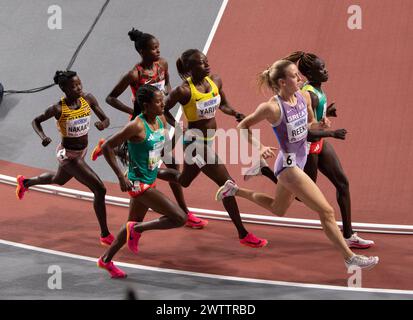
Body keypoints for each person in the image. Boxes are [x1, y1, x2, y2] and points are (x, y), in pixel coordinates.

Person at [215, 60, 378, 269]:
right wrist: (259, 146)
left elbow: (309, 125)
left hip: (300, 160)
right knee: (326, 211)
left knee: (278, 208)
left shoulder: (301, 97)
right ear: (282, 82)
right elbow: (242, 125)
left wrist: (323, 122)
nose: (300, 79)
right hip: (288, 167)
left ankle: (234, 190)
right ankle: (349, 258)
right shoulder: (272, 108)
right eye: (294, 76)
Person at [246, 51, 374, 248]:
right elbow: (307, 132)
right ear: (309, 75)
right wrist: (331, 133)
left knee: (342, 183)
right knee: (299, 198)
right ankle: (264, 170)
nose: (326, 71)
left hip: (319, 144)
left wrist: (326, 114)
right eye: (321, 69)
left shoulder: (317, 91)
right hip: (306, 148)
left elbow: (312, 122)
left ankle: (348, 234)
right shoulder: (307, 94)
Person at [91, 28, 207, 229]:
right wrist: (134, 110)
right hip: (143, 124)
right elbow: (110, 97)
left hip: (161, 118)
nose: (158, 52)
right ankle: (112, 147)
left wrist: (168, 95)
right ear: (142, 52)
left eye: (158, 48)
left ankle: (183, 212)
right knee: (155, 166)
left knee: (169, 165)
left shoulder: (162, 64)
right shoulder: (134, 74)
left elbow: (167, 82)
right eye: (154, 49)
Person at [161, 49, 267, 248]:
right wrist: (176, 124)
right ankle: (243, 234)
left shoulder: (215, 81)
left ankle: (146, 172)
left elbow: (223, 105)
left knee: (184, 181)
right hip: (195, 144)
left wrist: (235, 112)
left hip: (208, 141)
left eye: (206, 60)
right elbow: (163, 108)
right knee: (228, 184)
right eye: (201, 62)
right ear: (191, 69)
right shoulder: (183, 91)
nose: (207, 64)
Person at [15, 70, 114, 246]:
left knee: (58, 180)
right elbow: (35, 121)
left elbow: (106, 119)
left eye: (79, 84)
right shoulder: (58, 108)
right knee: (100, 190)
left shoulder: (88, 99)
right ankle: (105, 234)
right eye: (74, 86)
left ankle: (25, 183)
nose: (78, 88)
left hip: (82, 150)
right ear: (63, 88)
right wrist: (43, 137)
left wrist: (102, 124)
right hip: (69, 156)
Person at [97, 85, 187, 278]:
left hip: (150, 178)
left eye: (163, 99)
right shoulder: (136, 126)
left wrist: (163, 170)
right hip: (138, 184)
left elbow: (157, 149)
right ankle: (137, 230)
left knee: (132, 221)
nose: (163, 103)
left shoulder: (161, 119)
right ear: (146, 106)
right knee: (180, 218)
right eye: (158, 101)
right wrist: (121, 176)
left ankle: (105, 260)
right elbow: (107, 148)